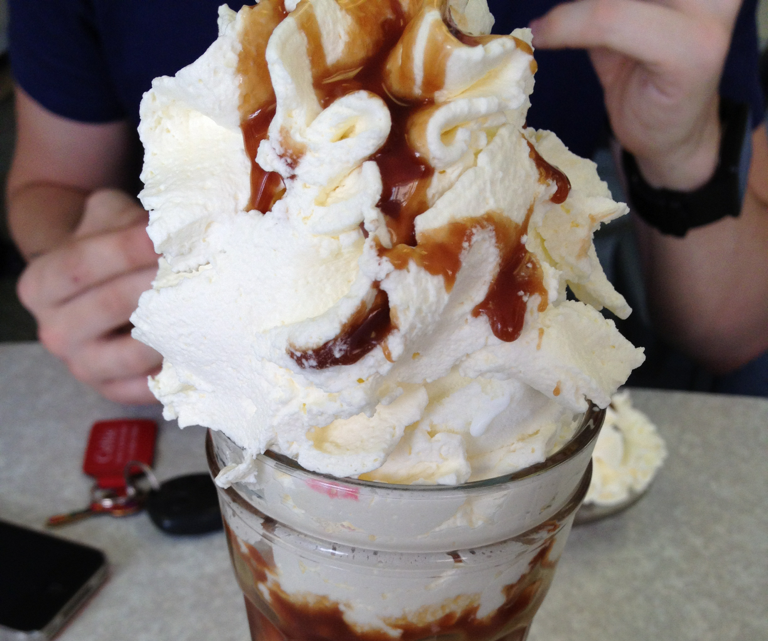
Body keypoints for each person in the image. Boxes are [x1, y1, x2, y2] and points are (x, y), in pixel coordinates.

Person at [6, 0, 768, 403]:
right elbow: (50, 184)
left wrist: (681, 152)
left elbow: (731, 332)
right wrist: (89, 261)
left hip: (521, 425)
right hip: (216, 429)